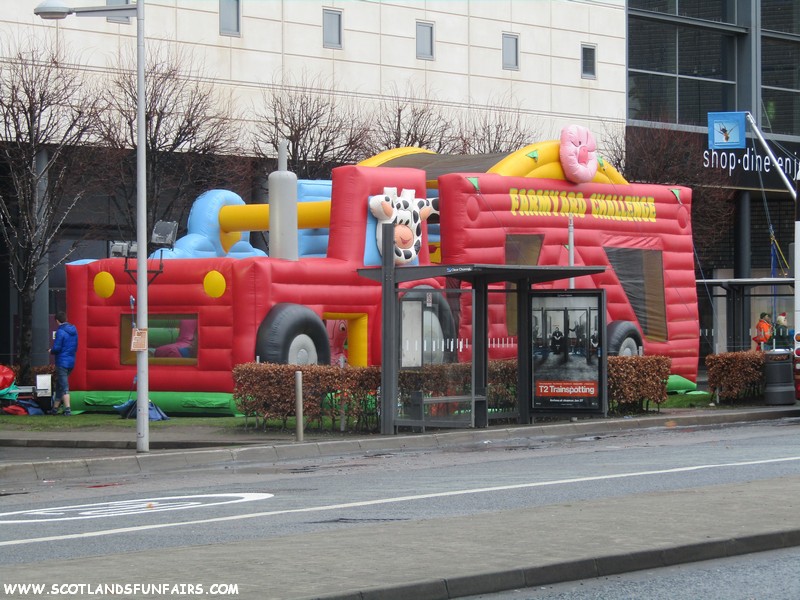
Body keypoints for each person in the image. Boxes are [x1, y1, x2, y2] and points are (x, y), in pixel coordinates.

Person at [50, 310, 78, 416]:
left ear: (57, 321)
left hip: (62, 361)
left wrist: (51, 351)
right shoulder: (74, 330)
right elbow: (75, 346)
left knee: (64, 386)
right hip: (71, 361)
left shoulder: (60, 332)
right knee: (60, 385)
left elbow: (57, 348)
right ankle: (55, 409)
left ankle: (67, 410)